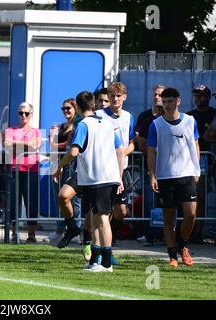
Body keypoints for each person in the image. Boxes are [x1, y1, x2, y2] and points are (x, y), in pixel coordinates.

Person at [54, 91, 125, 272]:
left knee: (101, 219)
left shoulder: (84, 125)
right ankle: (94, 260)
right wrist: (119, 175)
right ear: (94, 105)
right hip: (103, 177)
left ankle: (107, 263)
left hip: (98, 177)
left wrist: (59, 166)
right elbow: (119, 150)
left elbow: (73, 152)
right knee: (94, 218)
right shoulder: (108, 124)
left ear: (77, 107)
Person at [147, 87, 200, 268]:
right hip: (165, 177)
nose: (167, 105)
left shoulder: (190, 121)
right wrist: (152, 175)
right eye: (165, 101)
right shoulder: (156, 125)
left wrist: (196, 169)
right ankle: (172, 255)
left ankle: (182, 245)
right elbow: (151, 152)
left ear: (178, 101)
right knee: (168, 218)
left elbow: (195, 144)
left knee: (191, 214)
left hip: (186, 175)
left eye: (171, 101)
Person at [95, 82, 135, 247]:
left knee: (121, 211)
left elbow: (132, 143)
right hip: (103, 169)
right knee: (101, 210)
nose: (115, 99)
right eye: (112, 96)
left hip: (121, 169)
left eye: (118, 96)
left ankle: (110, 234)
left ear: (124, 97)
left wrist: (122, 153)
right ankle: (98, 242)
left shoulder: (128, 117)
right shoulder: (98, 115)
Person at [4, 102, 42, 243]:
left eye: (26, 113)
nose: (23, 116)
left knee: (31, 203)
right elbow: (8, 146)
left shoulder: (36, 131)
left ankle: (31, 235)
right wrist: (26, 146)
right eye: (21, 113)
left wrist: (17, 145)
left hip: (31, 170)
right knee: (14, 203)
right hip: (14, 170)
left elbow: (34, 146)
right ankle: (15, 234)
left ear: (31, 115)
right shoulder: (10, 130)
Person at [187, 85, 216, 244]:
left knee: (203, 197)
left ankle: (202, 231)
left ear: (208, 96)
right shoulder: (189, 116)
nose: (199, 98)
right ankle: (193, 231)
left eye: (202, 95)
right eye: (196, 95)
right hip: (193, 161)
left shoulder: (214, 114)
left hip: (210, 158)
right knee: (194, 196)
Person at [48, 98, 81, 244]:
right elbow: (54, 147)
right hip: (59, 165)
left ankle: (76, 229)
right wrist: (53, 137)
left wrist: (53, 140)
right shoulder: (60, 126)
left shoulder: (77, 126)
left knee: (74, 200)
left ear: (75, 109)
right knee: (60, 199)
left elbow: (68, 145)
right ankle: (60, 229)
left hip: (72, 165)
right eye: (63, 109)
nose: (66, 111)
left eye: (68, 108)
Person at [136, 85, 165, 246]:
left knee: (168, 202)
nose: (157, 97)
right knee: (150, 201)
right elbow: (141, 144)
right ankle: (150, 235)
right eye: (155, 94)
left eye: (160, 95)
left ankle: (166, 235)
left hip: (169, 169)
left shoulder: (175, 120)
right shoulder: (146, 119)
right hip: (150, 168)